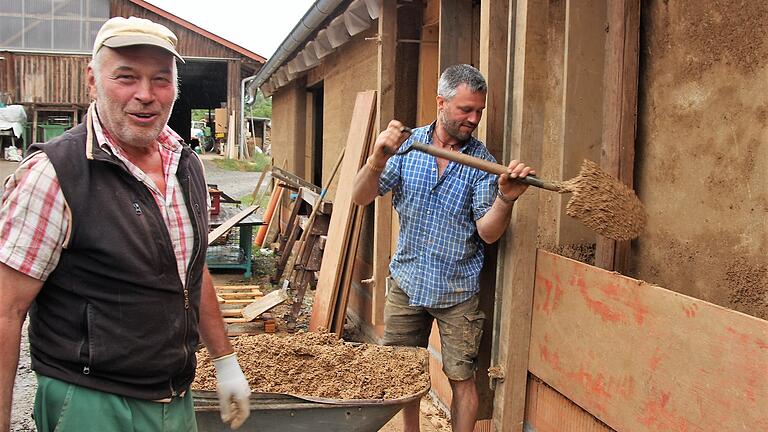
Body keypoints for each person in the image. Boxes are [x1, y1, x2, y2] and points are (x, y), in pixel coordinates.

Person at [0, 17, 251, 431]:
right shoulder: (55, 173)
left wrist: (224, 362)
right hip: (92, 401)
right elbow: (7, 311)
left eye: (161, 80)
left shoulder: (185, 165)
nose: (146, 95)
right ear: (92, 82)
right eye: (126, 77)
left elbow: (190, 270)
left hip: (175, 397)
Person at [351, 64, 535, 432]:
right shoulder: (408, 148)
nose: (474, 118)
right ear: (441, 102)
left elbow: (488, 233)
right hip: (408, 282)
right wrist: (377, 158)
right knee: (404, 373)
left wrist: (506, 198)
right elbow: (360, 197)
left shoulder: (482, 162)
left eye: (479, 111)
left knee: (461, 379)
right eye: (465, 109)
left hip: (458, 289)